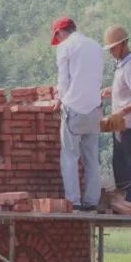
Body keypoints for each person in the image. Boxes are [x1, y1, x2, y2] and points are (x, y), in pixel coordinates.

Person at [51, 17, 104, 211]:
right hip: (95, 108)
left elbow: (63, 80)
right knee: (91, 158)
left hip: (73, 108)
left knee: (70, 156)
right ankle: (92, 201)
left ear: (60, 33)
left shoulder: (65, 47)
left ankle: (74, 201)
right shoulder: (96, 46)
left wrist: (59, 99)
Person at [100, 25, 131, 203]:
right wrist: (111, 91)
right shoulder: (121, 65)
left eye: (113, 48)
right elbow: (125, 89)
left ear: (123, 44)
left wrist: (122, 112)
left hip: (130, 126)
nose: (111, 52)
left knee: (127, 169)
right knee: (118, 166)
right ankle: (125, 200)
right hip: (120, 124)